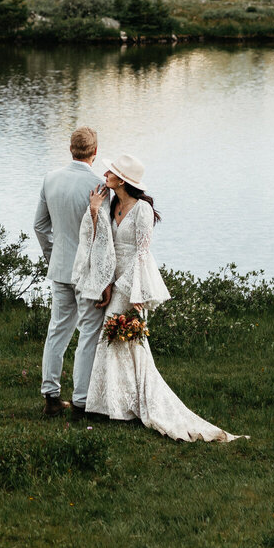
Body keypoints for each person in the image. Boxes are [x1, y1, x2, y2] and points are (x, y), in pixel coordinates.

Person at [71, 153, 243, 442]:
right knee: (122, 342)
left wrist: (135, 292)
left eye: (111, 173)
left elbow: (142, 253)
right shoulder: (111, 203)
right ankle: (118, 404)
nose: (106, 176)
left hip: (133, 282)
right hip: (114, 279)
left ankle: (120, 405)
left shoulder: (143, 211)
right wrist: (93, 211)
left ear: (123, 180)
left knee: (116, 336)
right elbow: (102, 243)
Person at [33, 126, 108, 418]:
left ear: (70, 149)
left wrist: (55, 257)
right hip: (87, 272)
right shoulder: (100, 186)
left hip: (61, 269)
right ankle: (81, 400)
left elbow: (40, 226)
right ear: (95, 151)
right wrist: (105, 278)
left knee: (57, 330)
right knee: (89, 332)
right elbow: (104, 237)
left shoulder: (50, 179)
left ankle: (51, 397)